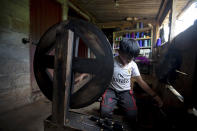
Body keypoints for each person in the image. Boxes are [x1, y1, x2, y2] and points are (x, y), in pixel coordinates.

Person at [101, 39, 163, 122]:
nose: (129, 61)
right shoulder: (111, 62)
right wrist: (84, 74)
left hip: (125, 92)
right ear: (119, 52)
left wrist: (155, 96)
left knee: (132, 114)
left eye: (132, 58)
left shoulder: (133, 65)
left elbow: (141, 82)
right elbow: (99, 71)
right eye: (127, 58)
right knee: (105, 112)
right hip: (111, 90)